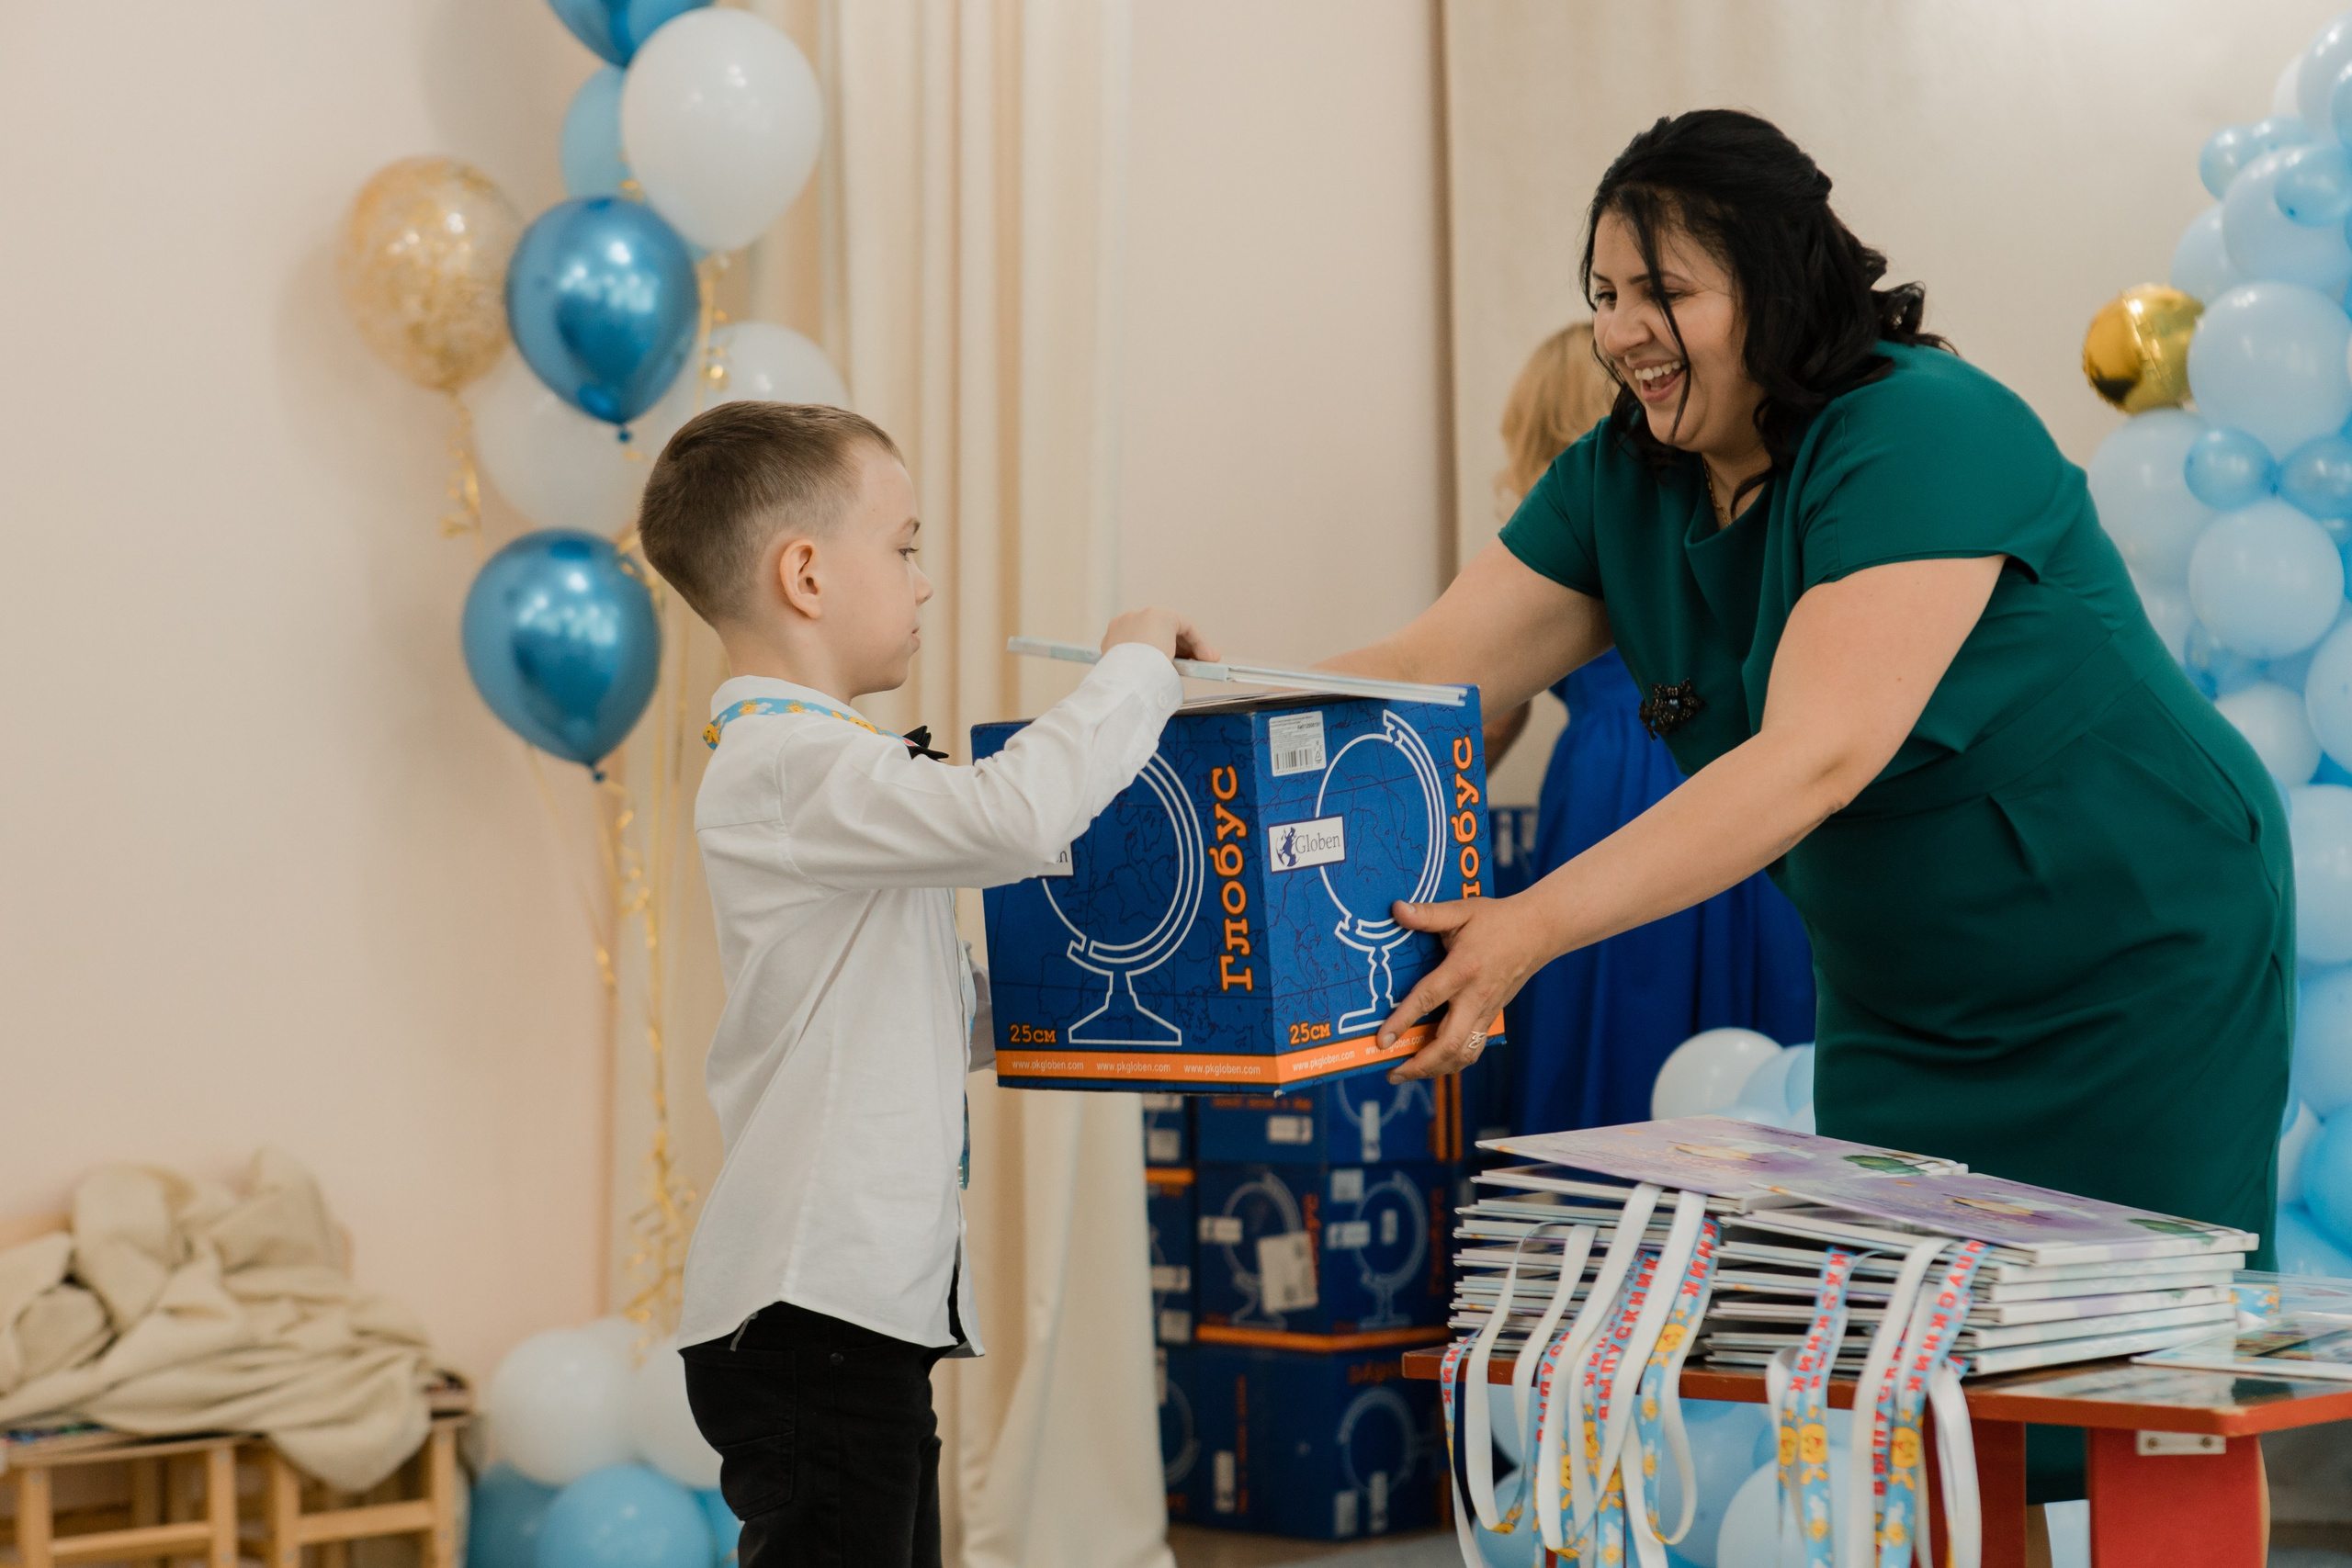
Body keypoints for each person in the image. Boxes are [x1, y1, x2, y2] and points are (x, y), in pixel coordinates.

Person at [1326, 110, 2289, 1513]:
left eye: (1667, 292)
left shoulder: (1922, 428)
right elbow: (1422, 674)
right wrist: (1164, 699)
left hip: (2132, 950)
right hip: (1910, 992)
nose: (1627, 331)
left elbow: (1815, 757)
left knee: (2144, 1388)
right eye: (1604, 295)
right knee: (1922, 1387)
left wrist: (1528, 924)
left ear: (1776, 286)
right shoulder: (1621, 478)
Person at [636, 400, 1213, 1568]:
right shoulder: (789, 767)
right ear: (803, 574)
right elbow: (1011, 817)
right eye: (902, 547)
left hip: (858, 1316)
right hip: (814, 1314)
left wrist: (1168, 995)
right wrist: (1134, 666)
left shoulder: (826, 771)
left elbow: (921, 1011)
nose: (925, 582)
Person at [1492, 322, 1815, 1133]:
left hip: (1608, 801)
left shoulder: (1554, 552)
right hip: (1739, 783)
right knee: (1759, 1040)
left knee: (1609, 1027)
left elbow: (1484, 718)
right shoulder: (1715, 516)